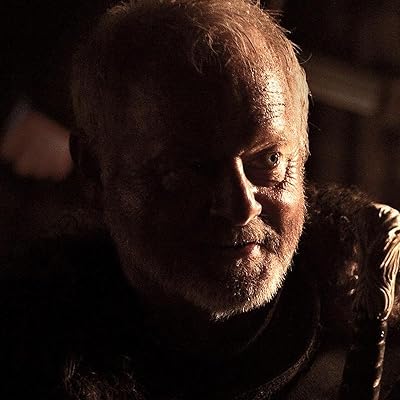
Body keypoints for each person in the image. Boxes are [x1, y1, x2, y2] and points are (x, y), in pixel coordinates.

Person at [2, 1, 400, 399]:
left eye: (270, 160)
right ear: (94, 170)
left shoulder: (382, 350)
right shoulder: (28, 360)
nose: (241, 206)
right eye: (189, 169)